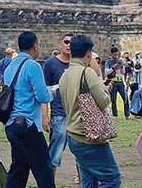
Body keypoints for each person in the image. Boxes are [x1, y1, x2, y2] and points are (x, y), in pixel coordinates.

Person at [60, 35, 119, 188]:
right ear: (89, 53)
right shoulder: (87, 73)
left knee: (88, 181)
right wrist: (105, 90)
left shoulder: (65, 75)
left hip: (73, 136)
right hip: (89, 137)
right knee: (112, 179)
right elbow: (103, 102)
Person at [3, 31, 55, 188]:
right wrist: (51, 94)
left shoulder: (10, 66)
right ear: (35, 46)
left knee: (19, 168)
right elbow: (42, 96)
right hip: (28, 123)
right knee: (44, 169)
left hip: (12, 124)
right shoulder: (33, 66)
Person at [44, 33, 74, 171]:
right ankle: (50, 181)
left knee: (82, 156)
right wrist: (44, 116)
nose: (69, 45)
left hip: (77, 114)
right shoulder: (50, 64)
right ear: (60, 44)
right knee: (54, 155)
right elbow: (45, 91)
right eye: (66, 42)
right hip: (59, 114)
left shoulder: (79, 63)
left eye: (72, 43)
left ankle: (82, 181)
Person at [104, 48, 129, 117]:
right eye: (114, 55)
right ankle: (115, 115)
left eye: (117, 55)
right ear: (111, 54)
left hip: (120, 81)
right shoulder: (108, 62)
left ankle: (127, 115)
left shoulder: (120, 61)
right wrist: (113, 68)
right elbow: (106, 73)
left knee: (125, 98)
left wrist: (122, 67)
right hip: (113, 82)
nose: (116, 56)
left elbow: (123, 72)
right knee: (113, 100)